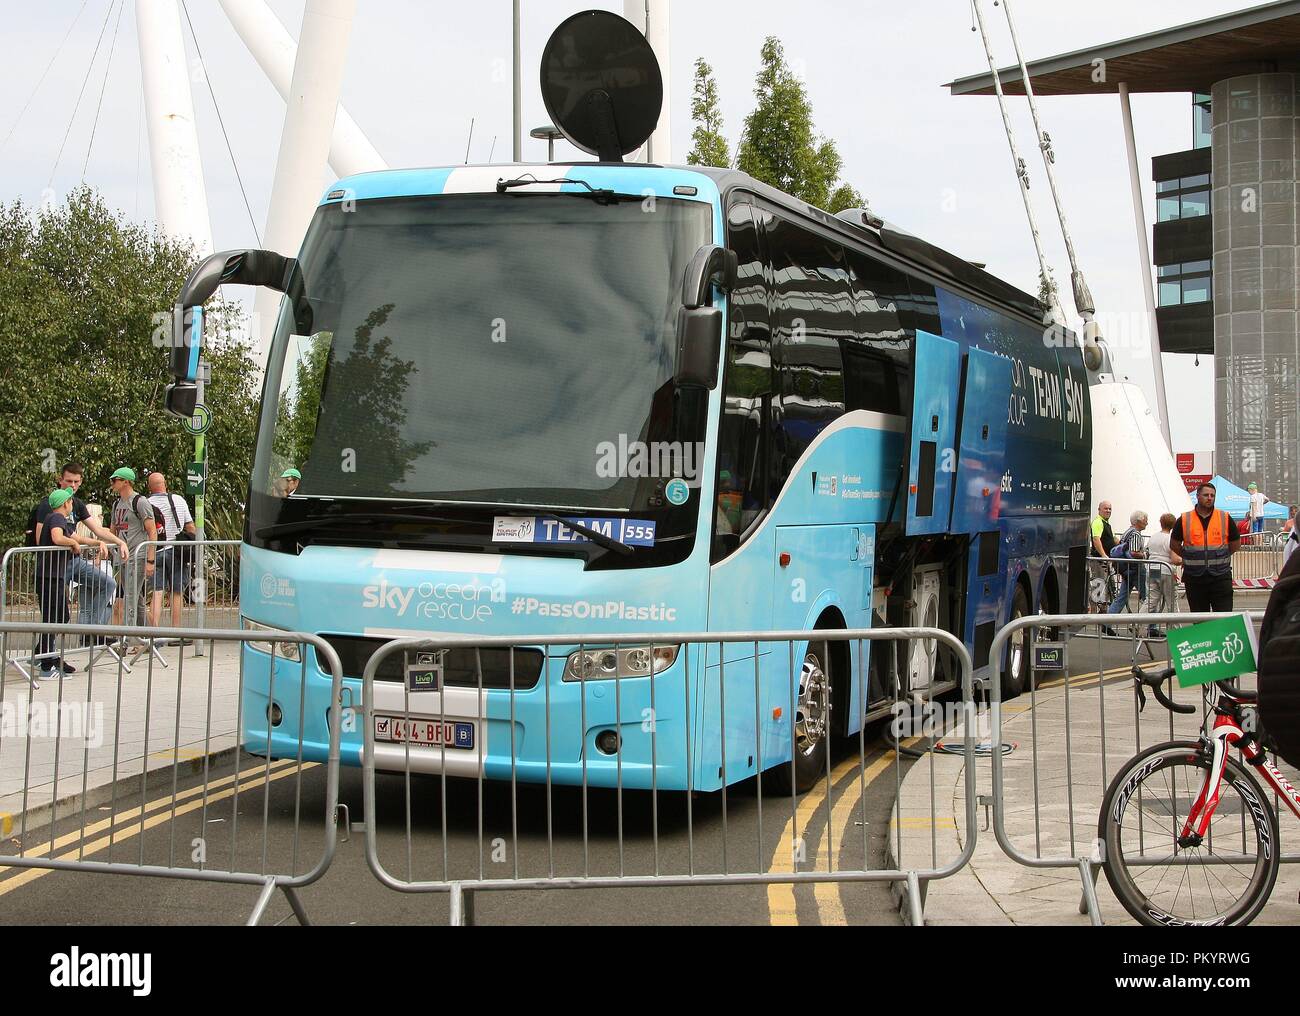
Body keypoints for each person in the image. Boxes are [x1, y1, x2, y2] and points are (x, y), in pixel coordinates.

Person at [30, 462, 125, 633]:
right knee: (55, 615)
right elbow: (42, 538)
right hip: (55, 566)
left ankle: (92, 631)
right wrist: (72, 543)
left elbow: (95, 529)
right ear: (60, 480)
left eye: (76, 482)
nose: (72, 486)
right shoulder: (51, 505)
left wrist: (117, 542)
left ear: (81, 482)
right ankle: (46, 654)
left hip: (74, 561)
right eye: (69, 481)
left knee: (108, 584)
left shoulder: (76, 504)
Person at [34, 488, 99, 679]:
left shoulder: (57, 520)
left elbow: (76, 537)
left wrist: (96, 543)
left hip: (53, 577)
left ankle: (47, 655)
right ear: (65, 504)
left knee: (61, 616)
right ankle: (46, 666)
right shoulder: (57, 519)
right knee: (53, 619)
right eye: (71, 501)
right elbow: (58, 537)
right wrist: (72, 544)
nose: (73, 504)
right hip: (48, 578)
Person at [1170, 482, 1241, 612]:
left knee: (1223, 618)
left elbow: (1236, 544)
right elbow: (1174, 544)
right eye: (1206, 495)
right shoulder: (1185, 519)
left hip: (1220, 577)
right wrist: (1189, 556)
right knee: (1200, 619)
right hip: (1195, 578)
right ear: (1197, 496)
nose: (1209, 498)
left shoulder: (1224, 517)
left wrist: (1220, 555)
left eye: (1212, 495)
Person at [109, 467, 158, 646]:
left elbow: (152, 532)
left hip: (137, 555)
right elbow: (112, 530)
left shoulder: (140, 501)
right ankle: (150, 637)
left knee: (130, 597)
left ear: (126, 482)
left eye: (115, 480)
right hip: (122, 556)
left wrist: (150, 560)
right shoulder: (116, 504)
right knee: (135, 598)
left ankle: (127, 640)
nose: (112, 484)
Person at [147, 471, 196, 632]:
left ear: (149, 487)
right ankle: (176, 631)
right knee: (176, 592)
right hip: (177, 552)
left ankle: (153, 632)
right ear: (165, 484)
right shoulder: (178, 500)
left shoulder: (145, 503)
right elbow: (190, 526)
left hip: (155, 552)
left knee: (157, 591)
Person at [1142, 512, 1182, 637]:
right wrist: (1184, 559)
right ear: (1174, 525)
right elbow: (1175, 559)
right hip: (1166, 570)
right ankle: (1176, 631)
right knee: (1171, 601)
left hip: (1152, 568)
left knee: (1151, 599)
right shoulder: (1170, 539)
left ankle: (1138, 623)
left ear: (1161, 522)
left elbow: (1147, 552)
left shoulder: (1153, 537)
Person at [1106, 510, 1149, 625]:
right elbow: (1134, 552)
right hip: (1136, 569)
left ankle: (1106, 622)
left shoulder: (1127, 532)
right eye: (1145, 520)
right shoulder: (1135, 534)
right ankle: (1150, 626)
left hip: (1126, 569)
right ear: (1138, 521)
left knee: (1122, 597)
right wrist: (1145, 555)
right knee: (1148, 598)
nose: (1147, 523)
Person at [1089, 501, 1115, 612]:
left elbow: (1112, 539)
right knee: (1099, 586)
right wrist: (1104, 555)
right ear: (1099, 509)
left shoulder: (1106, 523)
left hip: (1105, 561)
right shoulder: (1098, 522)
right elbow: (1096, 539)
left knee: (1107, 586)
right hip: (1099, 561)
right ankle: (1095, 614)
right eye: (1105, 508)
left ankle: (1103, 610)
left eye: (1110, 509)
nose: (1108, 511)